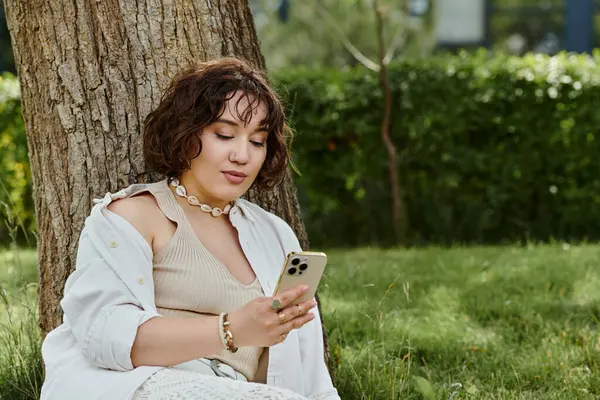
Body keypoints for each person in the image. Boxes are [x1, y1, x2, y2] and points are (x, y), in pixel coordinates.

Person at [40, 57, 340, 400]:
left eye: (257, 141)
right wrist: (229, 330)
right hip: (146, 384)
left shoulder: (275, 235)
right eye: (225, 135)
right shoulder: (132, 216)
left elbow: (310, 372)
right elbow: (104, 335)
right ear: (185, 132)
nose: (242, 155)